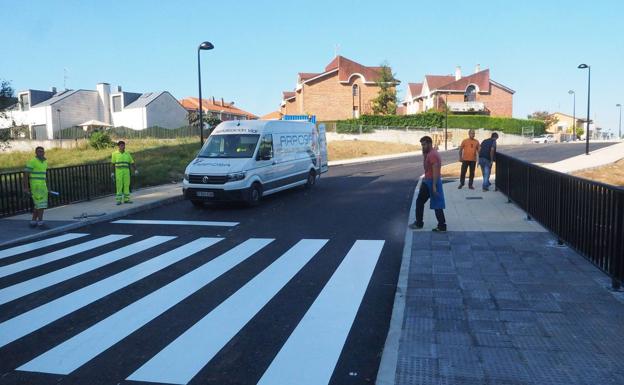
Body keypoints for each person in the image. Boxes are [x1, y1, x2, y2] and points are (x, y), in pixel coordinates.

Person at [409, 136, 447, 232]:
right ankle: (442, 225)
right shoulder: (431, 153)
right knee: (437, 203)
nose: (423, 146)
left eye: (424, 144)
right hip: (431, 181)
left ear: (430, 143)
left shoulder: (432, 155)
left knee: (421, 202)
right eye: (422, 145)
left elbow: (435, 170)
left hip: (431, 182)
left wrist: (434, 186)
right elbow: (427, 167)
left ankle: (419, 223)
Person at [23, 146, 48, 228]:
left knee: (39, 204)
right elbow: (25, 174)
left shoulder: (45, 162)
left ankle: (33, 221)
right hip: (36, 186)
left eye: (42, 151)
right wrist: (26, 187)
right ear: (36, 153)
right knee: (40, 205)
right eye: (39, 151)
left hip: (42, 186)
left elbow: (44, 175)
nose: (41, 153)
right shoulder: (33, 161)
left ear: (44, 152)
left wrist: (47, 186)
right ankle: (40, 222)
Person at [111, 140, 137, 205]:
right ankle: (119, 200)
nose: (123, 147)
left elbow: (132, 162)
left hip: (126, 172)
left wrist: (135, 169)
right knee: (119, 186)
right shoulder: (114, 154)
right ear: (118, 146)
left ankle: (126, 199)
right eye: (121, 145)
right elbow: (112, 164)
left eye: (124, 145)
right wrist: (112, 173)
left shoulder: (127, 153)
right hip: (118, 172)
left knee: (126, 185)